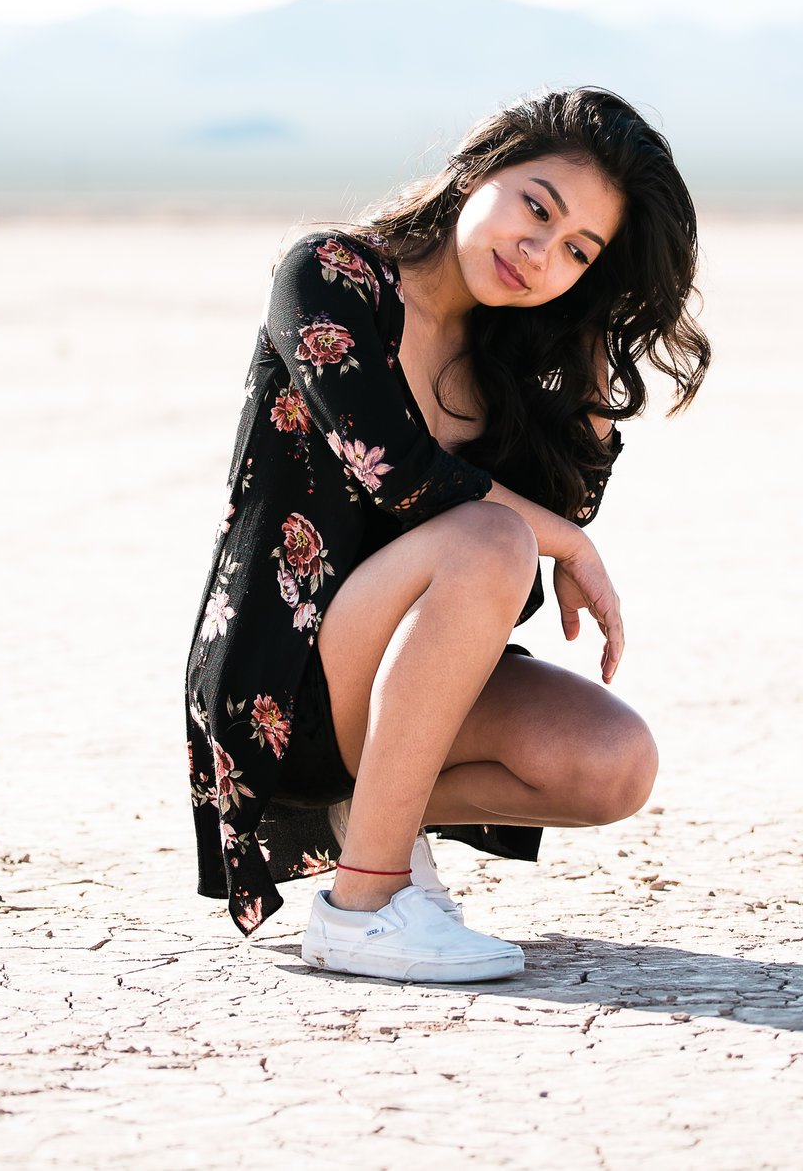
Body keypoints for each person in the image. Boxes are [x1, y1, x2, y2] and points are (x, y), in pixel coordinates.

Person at [184, 85, 712, 981]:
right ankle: (364, 904)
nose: (539, 251)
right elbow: (392, 464)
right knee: (493, 538)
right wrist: (566, 547)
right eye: (536, 207)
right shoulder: (330, 273)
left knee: (614, 762)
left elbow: (565, 507)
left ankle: (372, 818)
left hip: (408, 681)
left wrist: (584, 342)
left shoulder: (506, 350)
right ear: (481, 169)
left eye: (578, 249)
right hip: (288, 676)